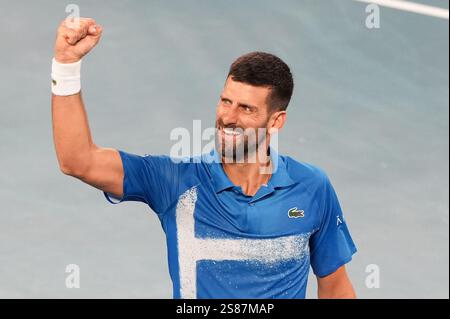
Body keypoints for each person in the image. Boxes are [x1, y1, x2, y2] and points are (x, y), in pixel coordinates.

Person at [52, 17, 357, 299]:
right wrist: (65, 66)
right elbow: (78, 160)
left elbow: (335, 287)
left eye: (246, 109)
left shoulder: (312, 187)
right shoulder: (175, 180)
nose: (228, 117)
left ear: (276, 122)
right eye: (226, 101)